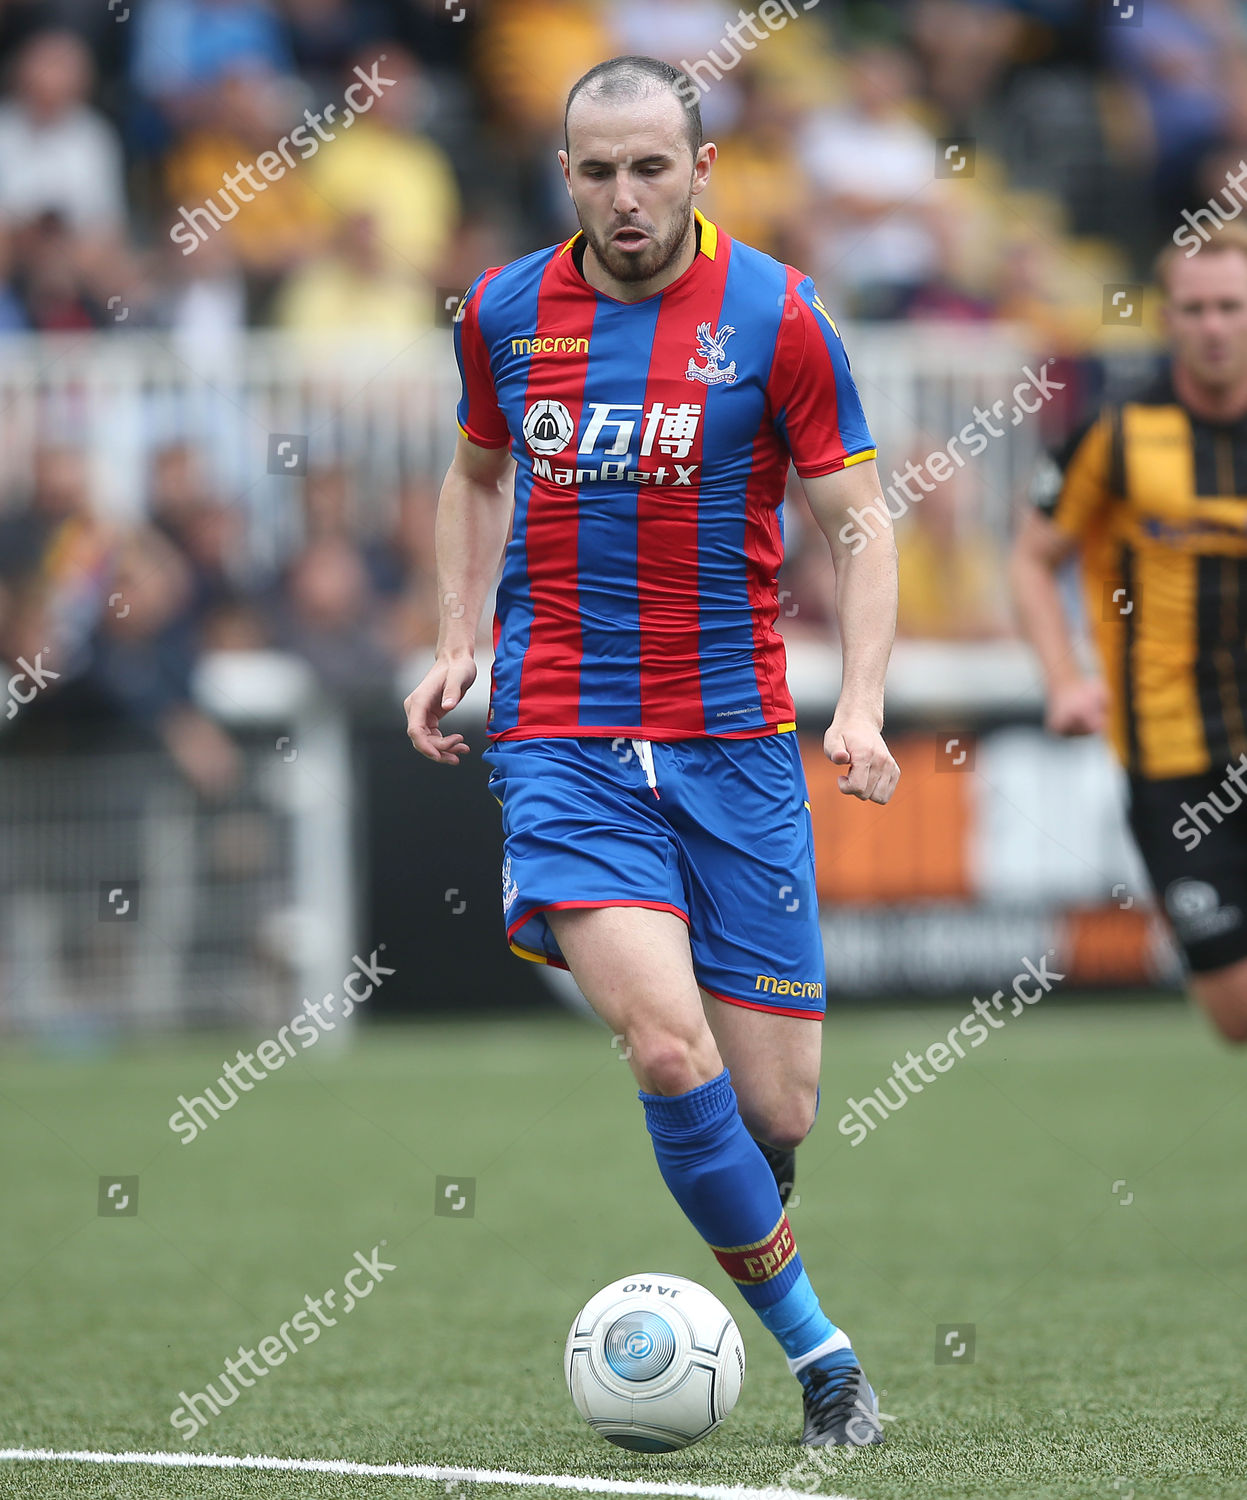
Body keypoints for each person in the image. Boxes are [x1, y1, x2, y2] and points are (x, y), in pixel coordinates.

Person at [404, 55, 899, 1446]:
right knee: (667, 1052)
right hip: (559, 729)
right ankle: (825, 1363)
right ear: (565, 173)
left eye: (649, 168)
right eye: (596, 170)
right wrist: (458, 640)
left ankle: (748, 1203)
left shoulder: (777, 316)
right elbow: (474, 475)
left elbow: (857, 528)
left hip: (733, 738)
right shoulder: (504, 312)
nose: (624, 198)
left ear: (699, 169)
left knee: (772, 1100)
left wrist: (855, 702)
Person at [1010, 227, 1247, 1045]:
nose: (1213, 325)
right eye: (1195, 309)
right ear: (1167, 319)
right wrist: (1063, 676)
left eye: (1229, 307)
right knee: (1232, 1013)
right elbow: (1033, 558)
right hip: (1171, 764)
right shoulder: (1114, 434)